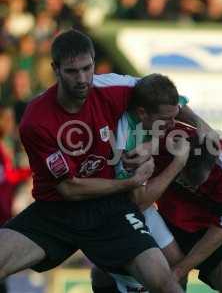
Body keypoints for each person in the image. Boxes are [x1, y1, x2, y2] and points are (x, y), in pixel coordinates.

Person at [0, 29, 211, 293]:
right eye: (72, 71)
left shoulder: (111, 87)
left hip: (110, 210)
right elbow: (69, 188)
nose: (82, 79)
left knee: (164, 281)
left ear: (94, 62)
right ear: (55, 69)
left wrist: (203, 127)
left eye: (87, 68)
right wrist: (129, 183)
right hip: (57, 210)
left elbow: (164, 97)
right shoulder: (36, 119)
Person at [91, 73, 190, 293]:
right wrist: (178, 162)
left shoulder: (159, 104)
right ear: (142, 113)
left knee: (177, 265)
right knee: (123, 271)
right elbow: (138, 202)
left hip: (134, 203)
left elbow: (180, 104)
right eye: (167, 120)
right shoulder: (126, 141)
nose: (174, 124)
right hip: (118, 207)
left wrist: (155, 141)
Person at [155, 129, 222, 293]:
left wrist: (178, 271)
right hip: (167, 220)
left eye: (200, 183)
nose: (194, 188)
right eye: (186, 181)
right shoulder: (161, 145)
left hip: (209, 227)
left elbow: (219, 231)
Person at [0, 105, 31, 293]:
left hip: (4, 215)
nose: (11, 125)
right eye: (7, 120)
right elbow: (7, 177)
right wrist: (30, 171)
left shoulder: (4, 146)